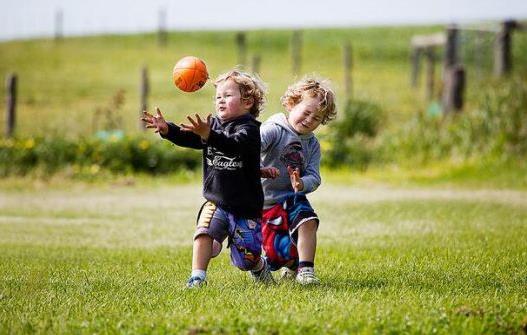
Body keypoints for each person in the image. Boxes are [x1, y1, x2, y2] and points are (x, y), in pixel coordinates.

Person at [141, 70, 273, 288]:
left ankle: (258, 266)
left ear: (247, 101)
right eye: (218, 96)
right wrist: (168, 130)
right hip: (217, 201)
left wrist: (209, 135)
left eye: (228, 95)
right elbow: (190, 137)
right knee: (203, 233)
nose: (220, 100)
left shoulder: (250, 130)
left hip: (245, 207)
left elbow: (233, 146)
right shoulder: (211, 126)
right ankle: (197, 278)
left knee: (246, 260)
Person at [260, 77, 337, 285]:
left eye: (317, 118)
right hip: (263, 203)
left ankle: (306, 271)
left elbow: (314, 176)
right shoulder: (274, 129)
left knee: (308, 220)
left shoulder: (312, 145)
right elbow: (252, 147)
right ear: (292, 103)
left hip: (291, 198)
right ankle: (285, 264)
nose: (309, 120)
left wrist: (302, 184)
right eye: (306, 112)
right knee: (278, 256)